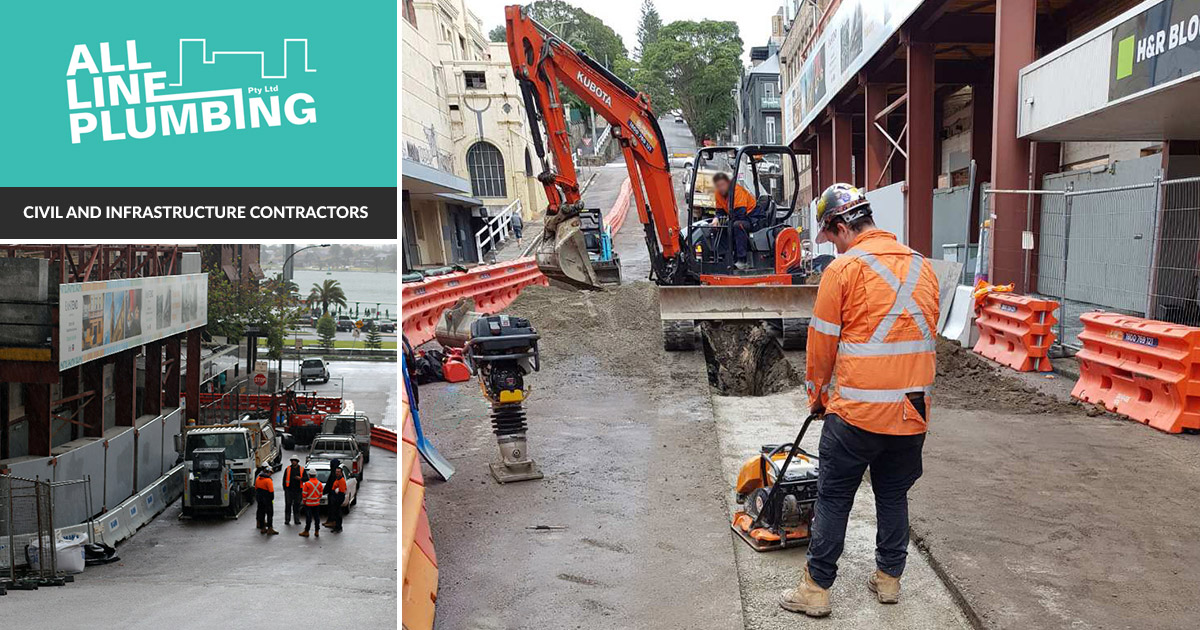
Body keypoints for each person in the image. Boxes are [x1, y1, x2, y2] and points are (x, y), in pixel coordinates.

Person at [779, 183, 940, 618]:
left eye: (829, 235)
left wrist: (817, 395)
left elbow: (822, 344)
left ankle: (816, 589)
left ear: (839, 225)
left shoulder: (843, 270)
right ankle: (888, 581)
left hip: (856, 415)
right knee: (893, 495)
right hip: (911, 413)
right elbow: (922, 333)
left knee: (834, 498)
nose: (830, 244)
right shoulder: (923, 267)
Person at [712, 172, 761, 269]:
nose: (721, 188)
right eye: (718, 186)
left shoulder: (737, 191)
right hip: (737, 217)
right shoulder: (718, 194)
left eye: (722, 185)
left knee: (737, 225)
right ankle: (723, 256)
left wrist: (728, 222)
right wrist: (716, 218)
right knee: (719, 227)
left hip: (753, 218)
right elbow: (720, 211)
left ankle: (742, 260)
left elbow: (740, 214)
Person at [299, 469, 324, 538]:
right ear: (315, 475)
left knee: (308, 518)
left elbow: (304, 494)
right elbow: (320, 494)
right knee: (317, 517)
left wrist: (304, 502)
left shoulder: (307, 484)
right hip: (316, 503)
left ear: (309, 475)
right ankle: (317, 531)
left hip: (308, 504)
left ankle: (307, 531)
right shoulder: (319, 483)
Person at [254, 466, 278, 535]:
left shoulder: (258, 478)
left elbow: (256, 488)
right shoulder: (268, 480)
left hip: (259, 498)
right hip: (267, 499)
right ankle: (270, 528)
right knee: (270, 513)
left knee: (261, 513)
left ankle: (263, 528)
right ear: (268, 473)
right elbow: (271, 491)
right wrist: (271, 498)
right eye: (271, 473)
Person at [282, 455, 304, 525]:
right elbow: (284, 479)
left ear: (297, 462)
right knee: (288, 505)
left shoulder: (301, 469)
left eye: (294, 461)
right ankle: (287, 520)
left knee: (297, 505)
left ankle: (296, 520)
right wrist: (285, 489)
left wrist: (300, 478)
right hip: (289, 490)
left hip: (298, 490)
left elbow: (306, 478)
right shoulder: (288, 469)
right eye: (292, 461)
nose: (293, 462)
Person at [327, 466, 347, 533]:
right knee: (336, 513)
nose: (337, 473)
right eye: (336, 472)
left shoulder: (341, 481)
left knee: (338, 513)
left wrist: (336, 499)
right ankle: (337, 526)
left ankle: (338, 527)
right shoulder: (337, 479)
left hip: (338, 499)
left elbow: (342, 492)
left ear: (341, 473)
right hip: (335, 499)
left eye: (338, 472)